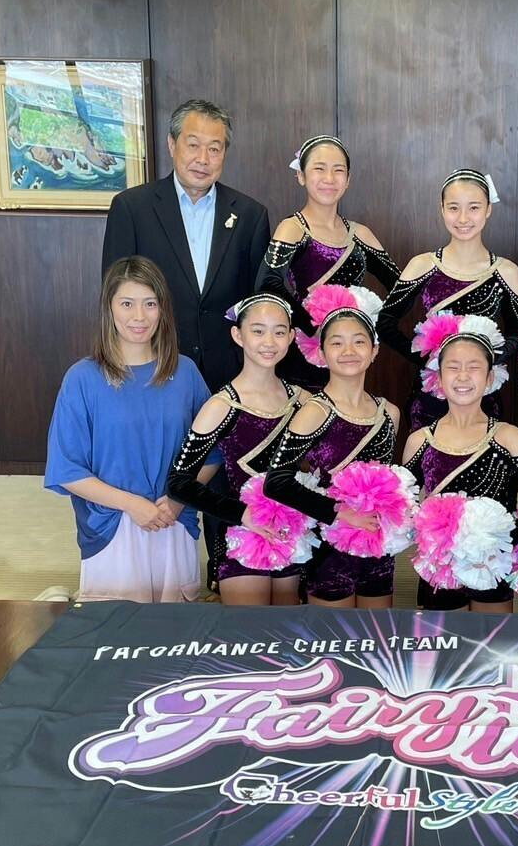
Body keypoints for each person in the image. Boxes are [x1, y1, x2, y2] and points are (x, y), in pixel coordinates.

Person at [45, 256, 217, 603]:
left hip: (173, 520)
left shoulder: (185, 372)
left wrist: (180, 498)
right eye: (127, 303)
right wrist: (133, 505)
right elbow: (67, 470)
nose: (139, 316)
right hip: (112, 525)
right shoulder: (82, 378)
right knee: (117, 627)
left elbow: (211, 454)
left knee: (176, 627)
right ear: (109, 308)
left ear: (162, 309)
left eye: (150, 304)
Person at [101, 98, 271, 392]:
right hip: (154, 369)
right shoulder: (132, 208)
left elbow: (258, 301)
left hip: (230, 376)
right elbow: (115, 294)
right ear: (172, 144)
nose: (203, 159)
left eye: (214, 149)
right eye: (193, 145)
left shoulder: (250, 215)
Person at [400, 321, 518, 613]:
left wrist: (504, 538)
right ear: (438, 377)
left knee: (492, 638)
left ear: (489, 378)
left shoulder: (507, 436)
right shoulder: (420, 440)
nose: (463, 376)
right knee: (444, 640)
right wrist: (429, 534)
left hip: (491, 565)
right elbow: (404, 506)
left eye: (474, 367)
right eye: (453, 367)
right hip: (442, 568)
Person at [166, 294, 308, 606]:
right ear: (237, 335)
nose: (268, 342)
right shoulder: (221, 405)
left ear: (291, 337)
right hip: (241, 533)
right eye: (258, 331)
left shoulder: (303, 401)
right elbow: (179, 482)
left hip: (292, 532)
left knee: (289, 626)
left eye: (279, 332)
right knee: (249, 629)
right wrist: (242, 514)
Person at [265, 295, 402, 609]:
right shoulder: (314, 411)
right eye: (337, 343)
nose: (349, 351)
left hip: (377, 543)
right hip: (330, 546)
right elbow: (277, 482)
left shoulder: (389, 413)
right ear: (322, 353)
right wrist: (341, 512)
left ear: (374, 351)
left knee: (377, 633)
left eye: (359, 342)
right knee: (332, 635)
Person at [378, 169, 518, 429]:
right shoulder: (423, 265)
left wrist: (486, 361)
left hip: (483, 396)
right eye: (454, 208)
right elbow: (385, 322)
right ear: (442, 209)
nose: (463, 218)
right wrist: (430, 359)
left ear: (488, 209)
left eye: (474, 207)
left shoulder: (506, 271)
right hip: (431, 396)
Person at [260, 135, 401, 390]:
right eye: (319, 168)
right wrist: (312, 327)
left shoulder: (360, 234)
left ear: (348, 179)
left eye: (338, 170)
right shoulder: (293, 228)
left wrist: (371, 327)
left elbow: (402, 290)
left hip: (349, 354)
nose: (329, 178)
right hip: (306, 352)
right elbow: (268, 282)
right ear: (301, 176)